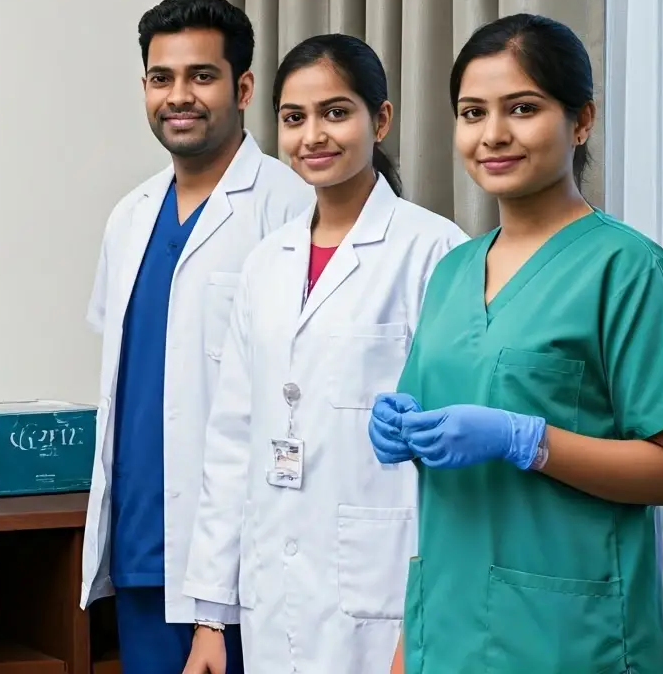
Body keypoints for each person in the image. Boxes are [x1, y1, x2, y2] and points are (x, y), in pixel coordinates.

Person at [372, 13, 663, 673]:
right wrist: (401, 427)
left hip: (572, 640)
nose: (493, 134)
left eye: (523, 108)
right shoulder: (453, 271)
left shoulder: (627, 270)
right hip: (445, 631)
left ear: (581, 121)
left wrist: (528, 440)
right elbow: (439, 459)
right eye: (472, 113)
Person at [180, 34, 467, 674]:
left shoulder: (433, 251)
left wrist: (424, 622)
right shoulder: (266, 262)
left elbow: (451, 465)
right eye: (294, 117)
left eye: (336, 112)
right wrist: (210, 617)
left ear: (380, 119)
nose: (313, 135)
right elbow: (232, 442)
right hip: (272, 594)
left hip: (385, 594)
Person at [80, 0, 313, 674]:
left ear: (243, 88)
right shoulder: (130, 216)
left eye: (201, 76)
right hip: (143, 550)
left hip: (250, 563)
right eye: (162, 78)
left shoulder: (290, 208)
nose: (178, 96)